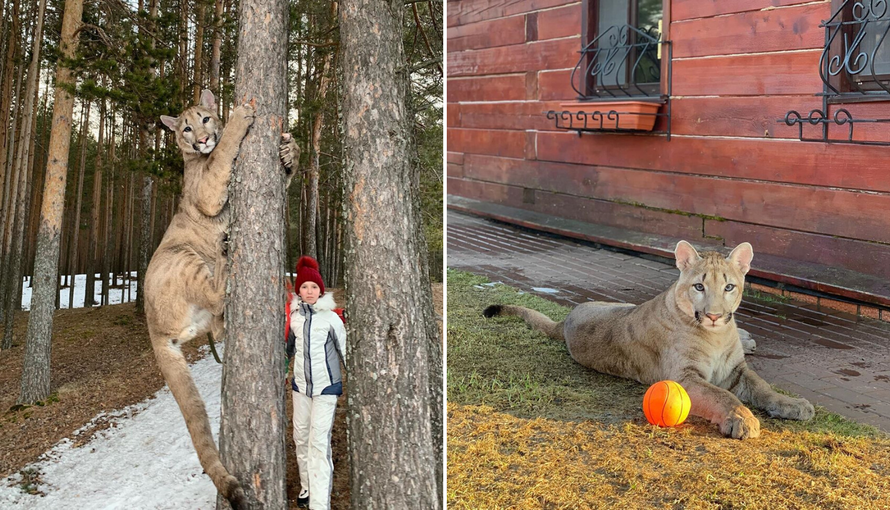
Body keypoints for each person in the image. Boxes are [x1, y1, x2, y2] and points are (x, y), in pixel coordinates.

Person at [285, 256, 346, 509]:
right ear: (298, 291)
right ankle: (307, 487)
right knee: (301, 437)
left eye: (314, 287)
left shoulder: (331, 319)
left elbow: (345, 351)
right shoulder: (294, 318)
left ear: (321, 290)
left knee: (318, 443)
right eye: (304, 287)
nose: (309, 291)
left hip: (326, 389)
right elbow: (287, 349)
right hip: (301, 389)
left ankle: (319, 504)